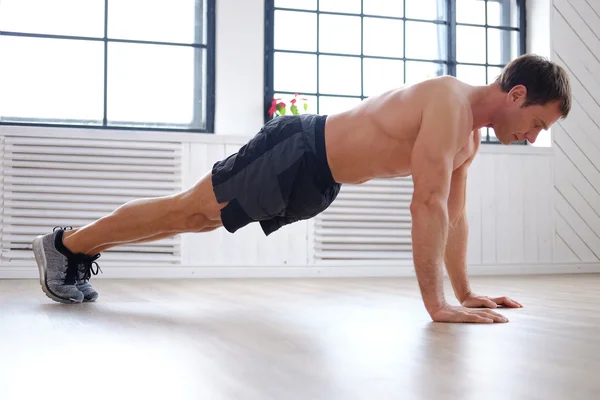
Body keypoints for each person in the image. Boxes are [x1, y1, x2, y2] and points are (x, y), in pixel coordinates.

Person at [33, 53, 571, 323]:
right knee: (187, 211)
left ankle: (75, 249)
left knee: (194, 220)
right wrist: (438, 306)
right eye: (539, 124)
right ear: (517, 94)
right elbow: (426, 203)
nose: (531, 137)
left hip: (318, 179)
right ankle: (67, 245)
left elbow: (455, 215)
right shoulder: (447, 103)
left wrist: (465, 293)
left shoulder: (470, 142)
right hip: (300, 147)